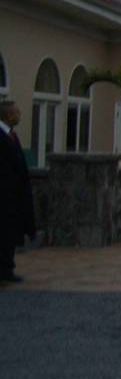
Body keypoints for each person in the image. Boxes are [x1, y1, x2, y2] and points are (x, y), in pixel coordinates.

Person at [0, 101, 36, 283]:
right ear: (8, 115)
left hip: (14, 196)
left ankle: (7, 268)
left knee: (10, 233)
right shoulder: (2, 137)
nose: (19, 114)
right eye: (16, 112)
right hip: (4, 195)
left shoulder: (12, 136)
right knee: (4, 233)